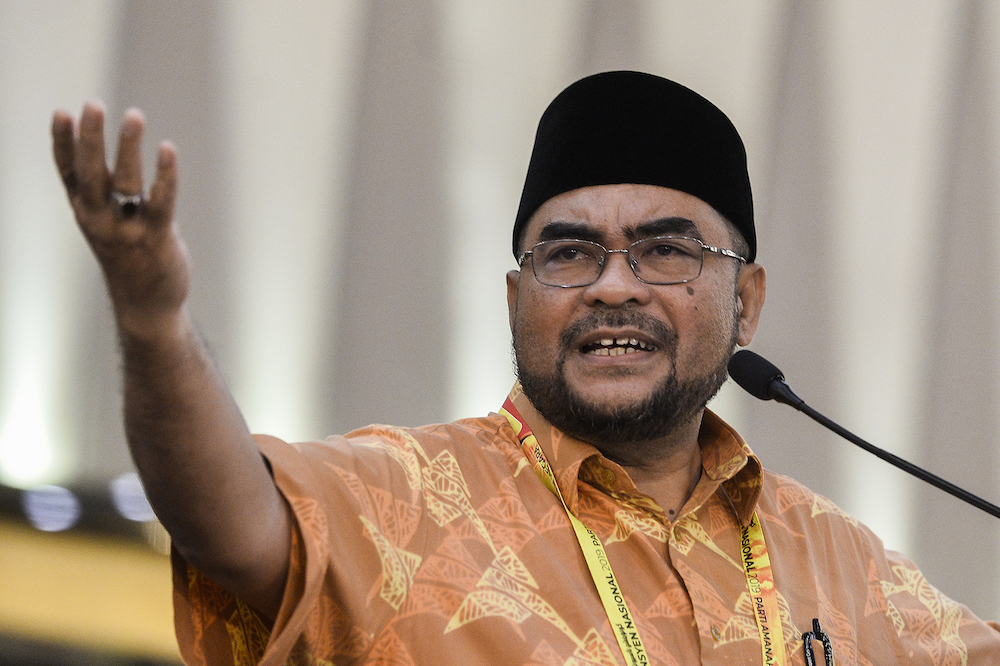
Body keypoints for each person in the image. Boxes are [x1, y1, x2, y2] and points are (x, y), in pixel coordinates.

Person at [53, 71, 1000, 665]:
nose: (612, 287)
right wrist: (153, 316)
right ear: (518, 301)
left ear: (746, 302)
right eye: (569, 253)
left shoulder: (846, 569)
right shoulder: (403, 502)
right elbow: (223, 518)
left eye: (666, 251)